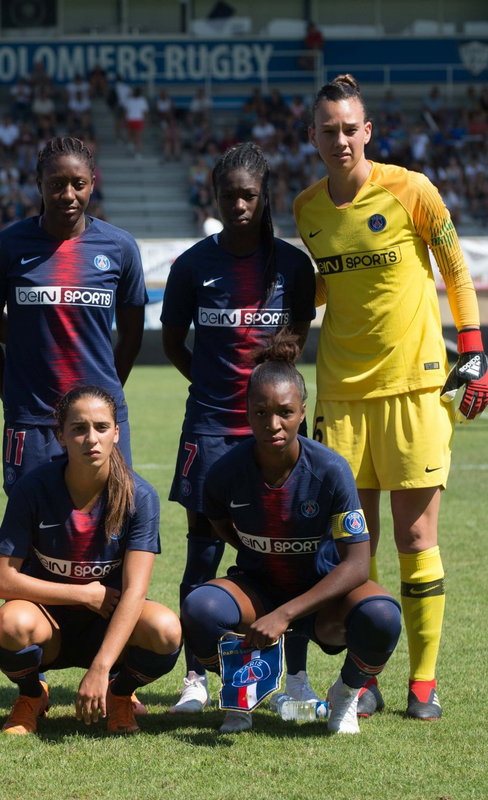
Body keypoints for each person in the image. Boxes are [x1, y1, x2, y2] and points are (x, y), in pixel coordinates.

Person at [294, 74, 488, 720]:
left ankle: (425, 682)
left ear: (368, 131)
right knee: (359, 543)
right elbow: (325, 285)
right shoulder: (307, 209)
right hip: (343, 396)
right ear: (313, 137)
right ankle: (367, 674)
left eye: (351, 128)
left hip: (415, 386)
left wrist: (474, 344)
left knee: (416, 533)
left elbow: (454, 263)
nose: (341, 139)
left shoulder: (412, 190)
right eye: (329, 130)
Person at [160, 142, 317, 716]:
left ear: (264, 195)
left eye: (249, 195)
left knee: (288, 556)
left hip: (275, 432)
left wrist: (277, 377)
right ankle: (196, 677)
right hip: (210, 427)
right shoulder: (194, 265)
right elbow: (174, 342)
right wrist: (211, 383)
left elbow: (299, 329)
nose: (239, 205)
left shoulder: (293, 266)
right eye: (229, 196)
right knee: (201, 554)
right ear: (215, 198)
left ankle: (294, 678)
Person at [179, 332, 403, 735]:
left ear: (303, 412)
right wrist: (264, 560)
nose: (273, 423)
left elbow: (356, 564)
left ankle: (345, 694)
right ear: (246, 412)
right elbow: (220, 525)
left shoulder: (331, 470)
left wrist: (285, 613)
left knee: (383, 615)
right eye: (261, 412)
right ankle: (242, 683)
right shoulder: (225, 473)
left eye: (284, 411)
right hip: (258, 590)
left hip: (322, 597)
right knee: (200, 610)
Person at [0, 385, 181, 736]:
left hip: (109, 623)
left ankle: (119, 694)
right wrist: (84, 594)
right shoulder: (32, 490)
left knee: (166, 630)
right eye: (78, 429)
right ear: (60, 435)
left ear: (116, 432)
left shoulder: (141, 496)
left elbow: (135, 592)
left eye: (101, 427)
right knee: (10, 622)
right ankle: (33, 696)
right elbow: (2, 580)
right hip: (49, 623)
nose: (90, 438)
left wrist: (102, 667)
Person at [0, 137, 146, 495]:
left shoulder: (120, 246)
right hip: (31, 420)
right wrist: (14, 397)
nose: (68, 194)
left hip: (99, 421)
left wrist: (106, 400)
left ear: (92, 184)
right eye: (56, 184)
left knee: (107, 521)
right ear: (39, 185)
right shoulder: (6, 247)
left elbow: (131, 337)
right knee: (31, 527)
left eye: (78, 184)